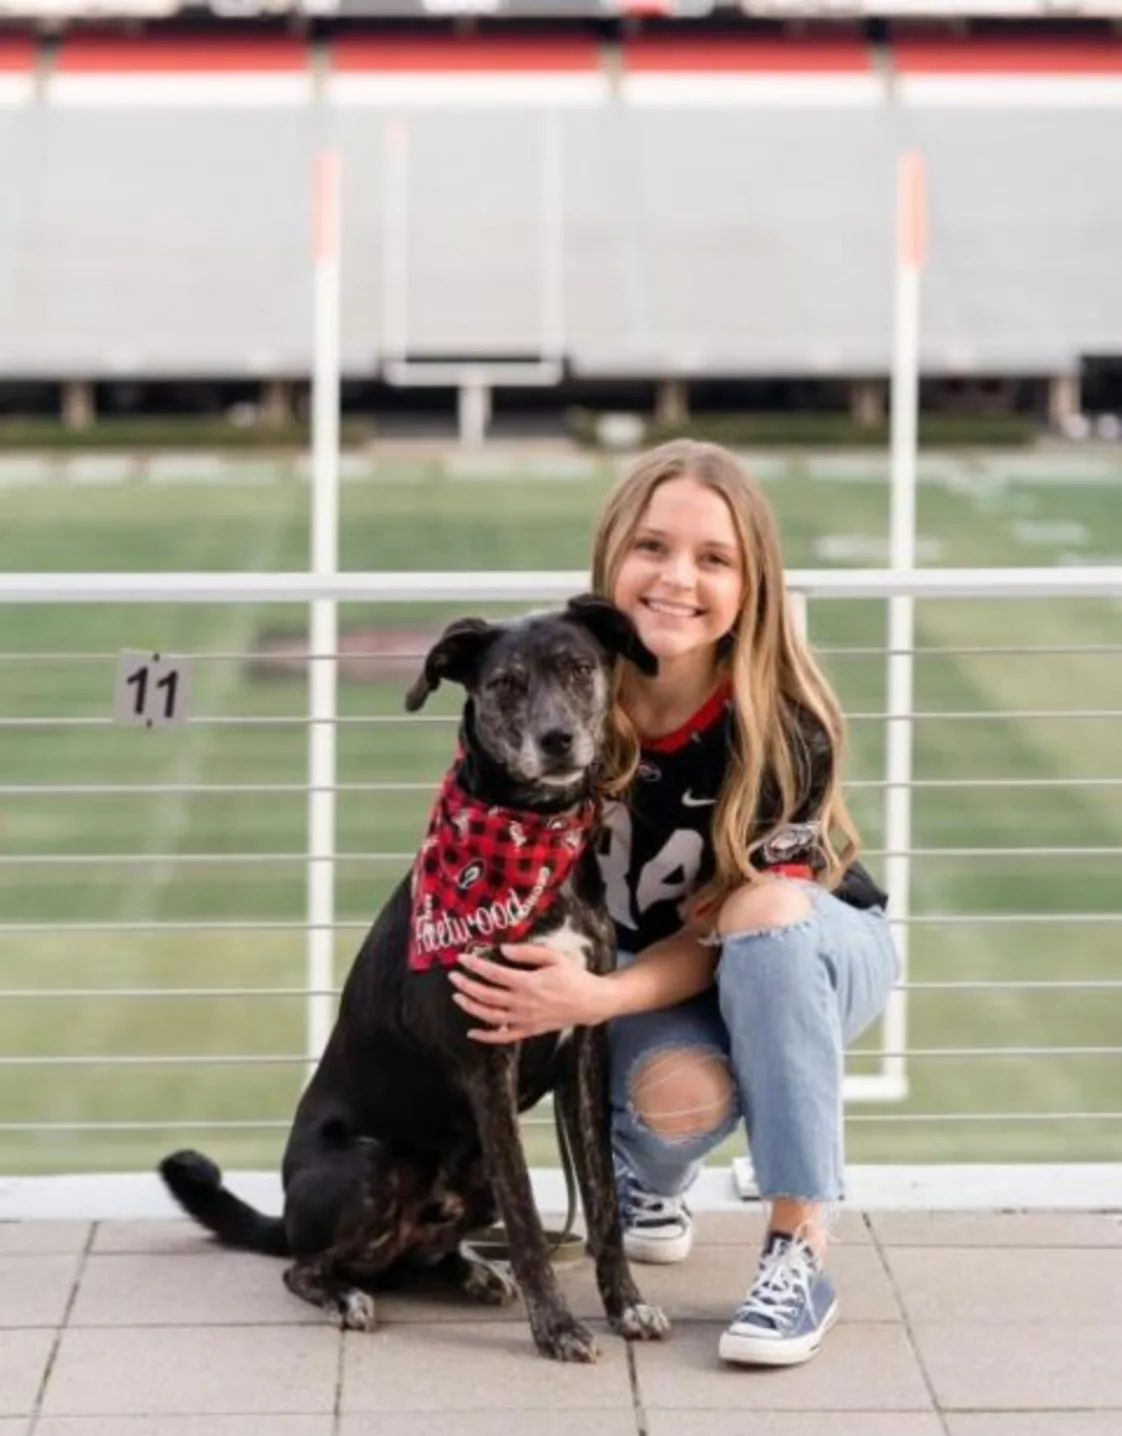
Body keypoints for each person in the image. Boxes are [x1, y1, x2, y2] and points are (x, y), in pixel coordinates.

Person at [447, 439, 899, 1367]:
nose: (677, 578)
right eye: (653, 547)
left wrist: (596, 999)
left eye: (714, 559)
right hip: (660, 982)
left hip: (804, 951)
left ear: (752, 582)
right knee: (668, 1105)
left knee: (764, 923)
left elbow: (743, 924)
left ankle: (800, 1245)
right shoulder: (555, 688)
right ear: (612, 556)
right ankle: (649, 1182)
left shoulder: (779, 719)